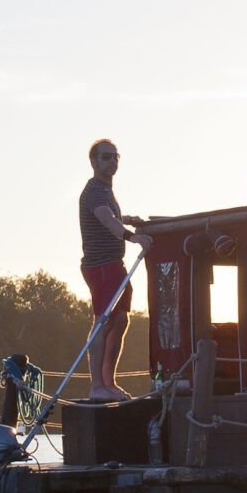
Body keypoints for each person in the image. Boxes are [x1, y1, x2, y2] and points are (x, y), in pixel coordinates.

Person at [78, 139, 151, 403]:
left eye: (115, 156)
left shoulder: (106, 190)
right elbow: (106, 220)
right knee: (103, 322)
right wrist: (132, 237)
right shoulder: (95, 191)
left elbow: (111, 217)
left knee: (121, 320)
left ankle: (109, 383)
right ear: (94, 162)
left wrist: (126, 220)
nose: (112, 161)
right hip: (101, 267)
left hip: (114, 265)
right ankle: (97, 385)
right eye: (106, 157)